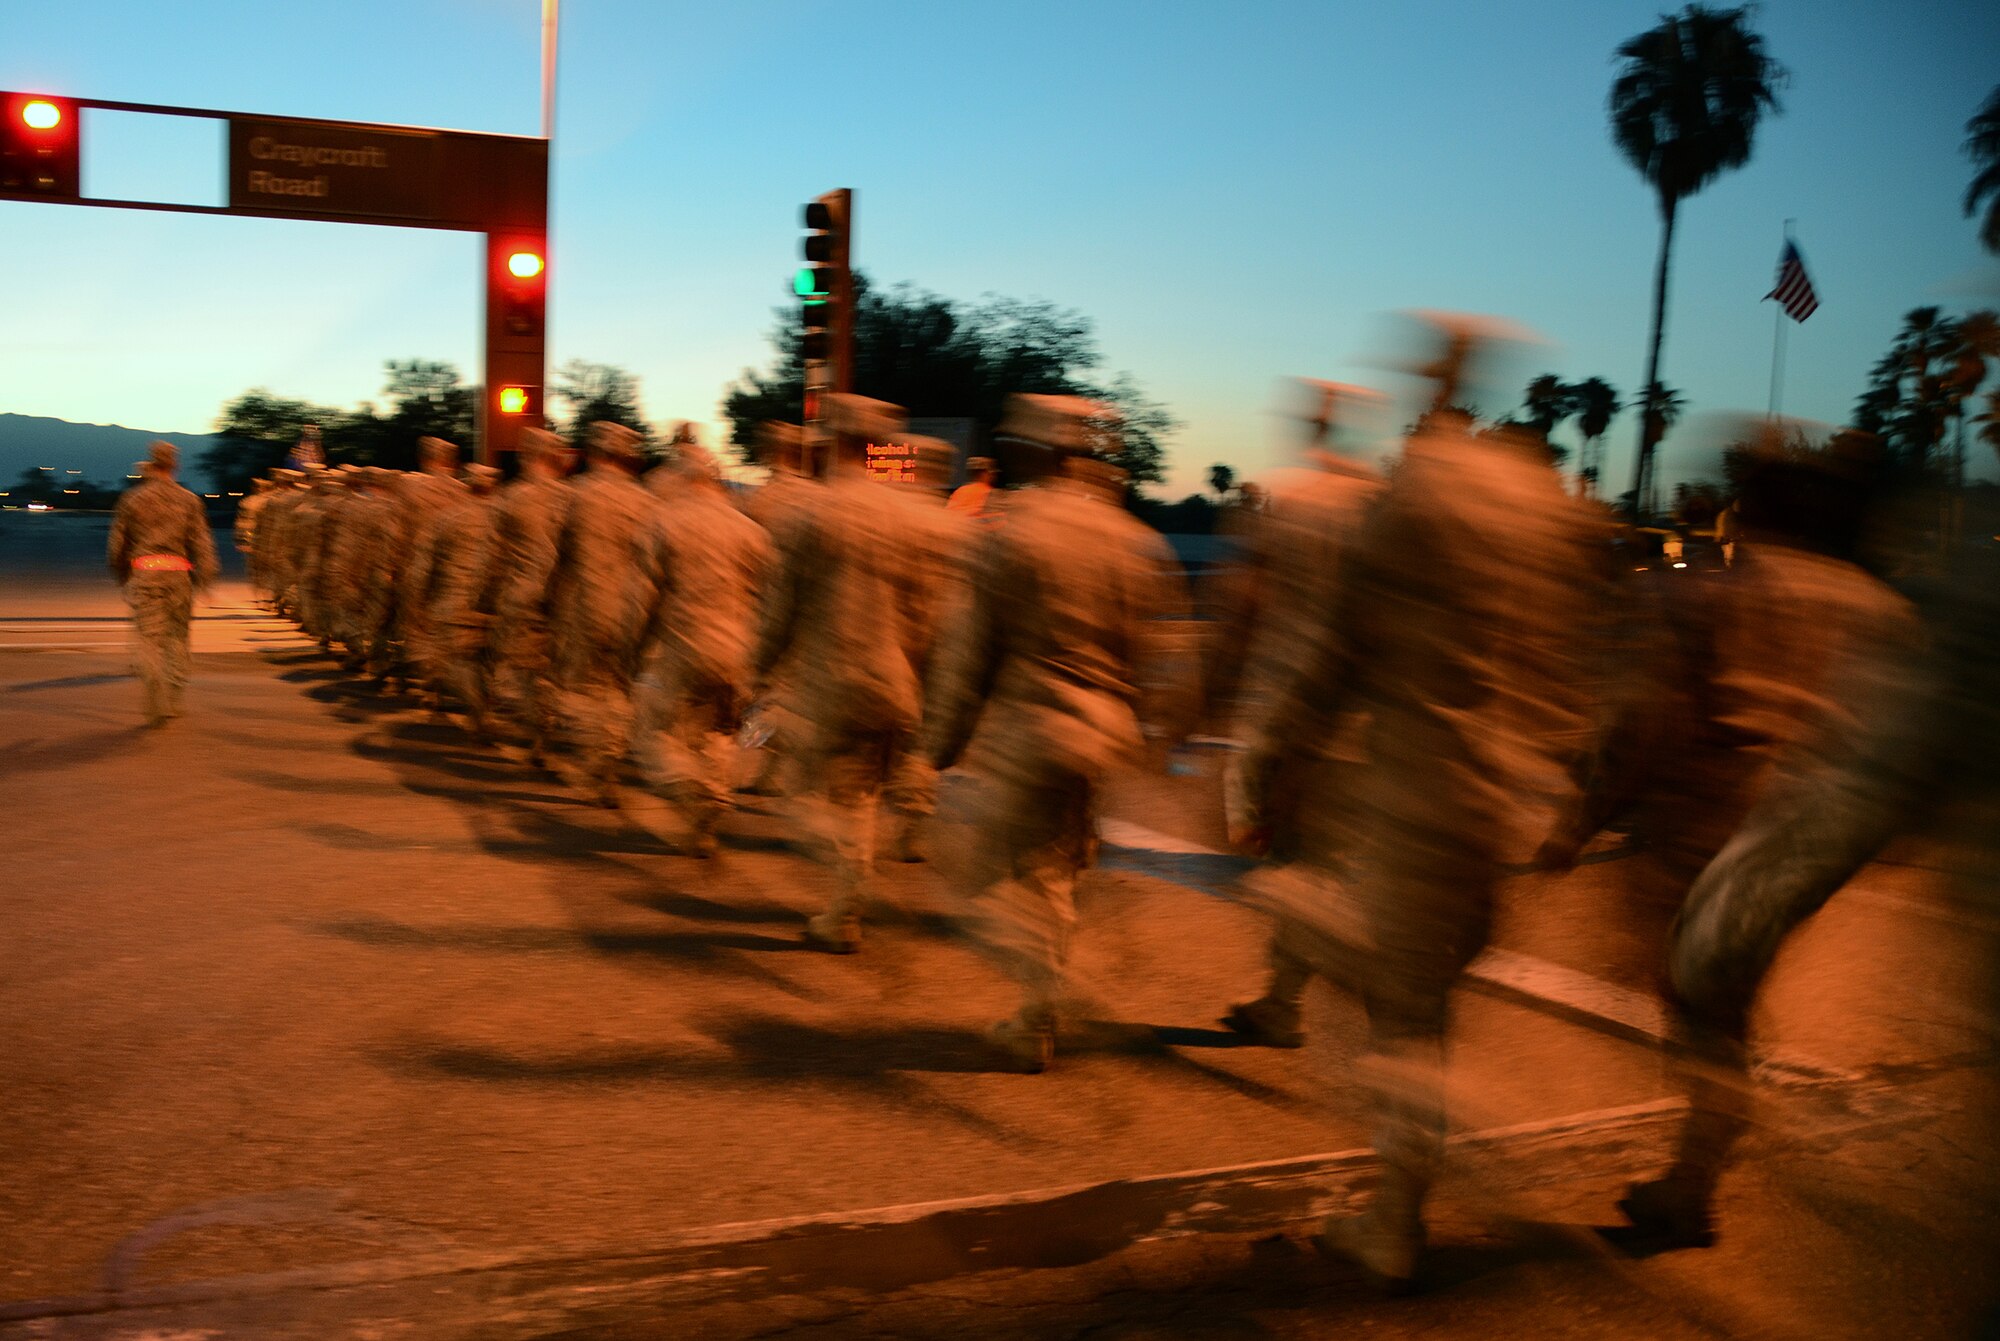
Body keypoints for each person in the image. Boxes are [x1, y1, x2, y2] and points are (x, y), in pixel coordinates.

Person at [1230, 314, 1600, 1288]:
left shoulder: (1413, 498)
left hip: (1412, 791)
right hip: (1499, 796)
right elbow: (1571, 663)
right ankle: (1405, 1178)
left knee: (1396, 1014)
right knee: (1423, 997)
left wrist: (1273, 755)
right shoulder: (1540, 507)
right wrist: (1565, 796)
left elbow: (1339, 651)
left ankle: (1396, 1215)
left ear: (1424, 384)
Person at [922, 395, 1190, 1071]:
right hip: (1100, 732)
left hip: (1030, 729)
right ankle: (1042, 1000)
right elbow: (1154, 653)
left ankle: (1053, 995)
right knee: (1058, 869)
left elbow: (971, 651)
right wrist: (1155, 736)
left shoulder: (1012, 534)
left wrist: (942, 742)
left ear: (1032, 452)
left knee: (981, 870)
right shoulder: (1132, 538)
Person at [1209, 380, 1388, 1048]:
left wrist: (1204, 702)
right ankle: (1283, 1001)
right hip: (1367, 723)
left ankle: (1373, 982)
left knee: (1295, 866)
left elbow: (1245, 610)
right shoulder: (1383, 505)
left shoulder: (1283, 499)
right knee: (1325, 864)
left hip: (1292, 714)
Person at [755, 394, 935, 952]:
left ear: (829, 441)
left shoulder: (811, 514)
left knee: (805, 795)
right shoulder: (915, 519)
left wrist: (758, 669)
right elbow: (928, 613)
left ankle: (848, 897)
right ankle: (847, 899)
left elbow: (782, 606)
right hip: (896, 684)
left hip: (829, 685)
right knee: (862, 794)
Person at [631, 439, 774, 855]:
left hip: (684, 647)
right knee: (721, 733)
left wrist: (632, 651)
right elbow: (768, 600)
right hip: (740, 651)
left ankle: (690, 786)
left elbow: (641, 601)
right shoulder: (751, 531)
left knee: (655, 732)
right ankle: (713, 800)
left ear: (680, 477)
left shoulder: (662, 523)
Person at [546, 421, 668, 804]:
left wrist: (549, 599)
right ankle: (614, 753)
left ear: (596, 453)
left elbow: (560, 557)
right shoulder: (649, 503)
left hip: (586, 609)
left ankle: (599, 761)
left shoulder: (575, 496)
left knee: (587, 690)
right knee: (621, 688)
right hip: (634, 610)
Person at [479, 427, 575, 764]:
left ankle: (531, 727)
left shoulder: (511, 498)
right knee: (551, 666)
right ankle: (545, 729)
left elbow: (491, 555)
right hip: (564, 599)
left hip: (521, 594)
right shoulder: (572, 499)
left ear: (526, 456)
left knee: (518, 666)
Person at [106, 441, 220, 725]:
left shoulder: (131, 500)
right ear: (175, 465)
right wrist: (205, 578)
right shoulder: (190, 500)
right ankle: (173, 694)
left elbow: (116, 547)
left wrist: (123, 576)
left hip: (146, 571)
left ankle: (152, 678)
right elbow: (202, 545)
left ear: (151, 463)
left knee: (148, 638)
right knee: (177, 638)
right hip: (178, 573)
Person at [947, 455, 1001, 523]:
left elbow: (949, 514)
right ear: (984, 473)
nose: (994, 476)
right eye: (992, 473)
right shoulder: (991, 492)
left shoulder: (960, 491)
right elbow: (996, 521)